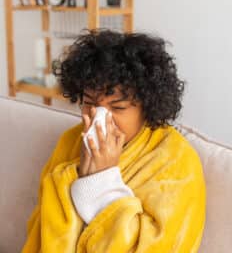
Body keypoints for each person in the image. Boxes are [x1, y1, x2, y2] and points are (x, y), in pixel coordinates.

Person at [21, 28, 206, 252]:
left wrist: (101, 182)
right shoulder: (70, 141)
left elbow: (163, 245)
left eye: (117, 107)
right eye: (89, 102)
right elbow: (41, 229)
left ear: (147, 108)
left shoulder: (176, 160)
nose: (99, 117)